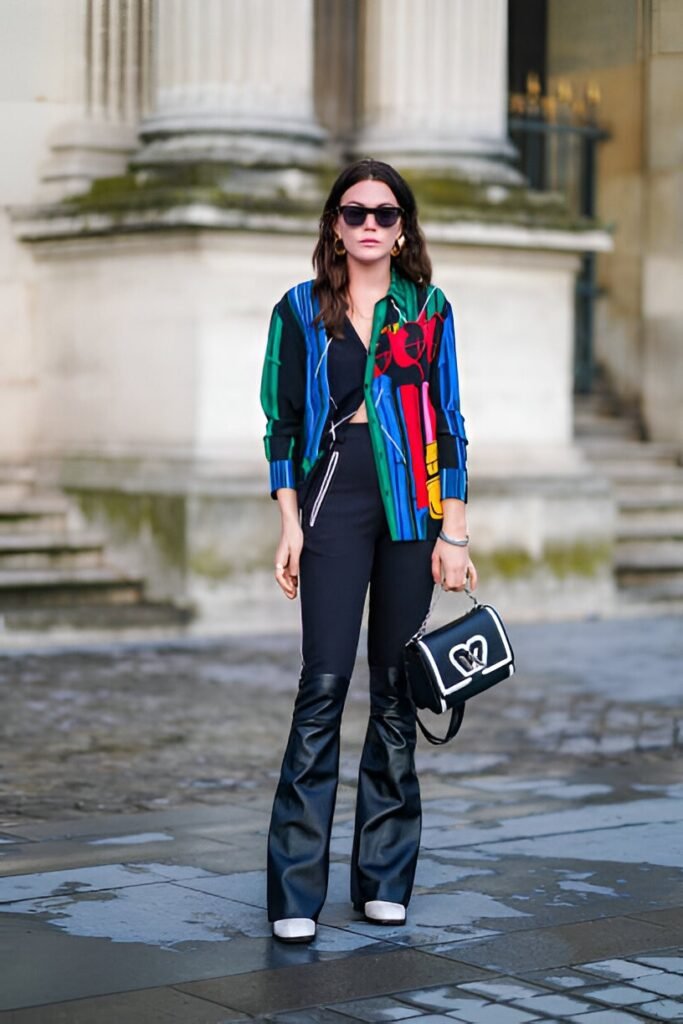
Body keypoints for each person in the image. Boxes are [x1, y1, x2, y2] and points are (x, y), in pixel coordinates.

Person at [259, 157, 477, 944]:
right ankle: (294, 889)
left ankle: (383, 877)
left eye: (385, 215)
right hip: (332, 499)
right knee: (321, 688)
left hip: (413, 507)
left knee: (394, 692)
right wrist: (290, 521)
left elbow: (449, 420)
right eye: (355, 213)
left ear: (403, 227)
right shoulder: (297, 309)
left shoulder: (428, 308)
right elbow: (280, 425)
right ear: (333, 224)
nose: (371, 227)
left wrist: (453, 530)